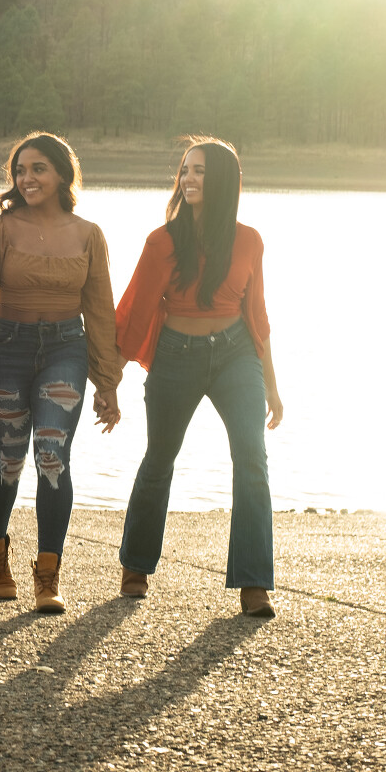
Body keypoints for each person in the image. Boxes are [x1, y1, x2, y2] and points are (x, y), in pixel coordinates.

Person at [115, 136, 284, 618]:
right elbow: (136, 311)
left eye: (200, 171)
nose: (188, 178)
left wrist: (272, 386)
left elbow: (257, 316)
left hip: (237, 355)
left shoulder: (249, 240)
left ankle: (254, 582)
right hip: (177, 354)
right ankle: (136, 565)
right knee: (160, 458)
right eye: (185, 170)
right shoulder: (163, 242)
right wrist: (108, 381)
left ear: (224, 180)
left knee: (252, 458)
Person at [0, 133, 120, 613]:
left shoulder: (89, 233)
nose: (26, 179)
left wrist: (107, 383)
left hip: (65, 350)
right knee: (8, 463)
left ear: (62, 174)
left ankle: (48, 574)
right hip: (6, 349)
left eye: (38, 169)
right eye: (20, 170)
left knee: (52, 458)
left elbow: (101, 311)